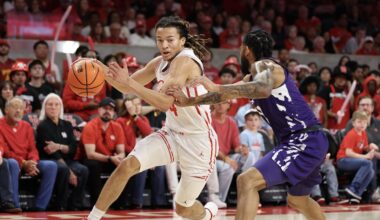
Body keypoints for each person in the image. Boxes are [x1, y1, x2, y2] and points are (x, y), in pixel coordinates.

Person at [167, 30, 329, 220]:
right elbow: (223, 95)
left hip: (303, 139)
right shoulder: (251, 79)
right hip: (309, 140)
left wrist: (217, 87)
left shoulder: (265, 65)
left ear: (247, 50)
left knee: (247, 181)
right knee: (298, 200)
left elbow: (262, 89)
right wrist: (188, 101)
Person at [86, 16, 219, 220]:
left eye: (170, 40)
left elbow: (165, 102)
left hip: (198, 142)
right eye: (159, 40)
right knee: (126, 166)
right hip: (172, 134)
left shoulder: (185, 61)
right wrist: (94, 66)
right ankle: (92, 218)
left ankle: (208, 214)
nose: (164, 45)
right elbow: (124, 84)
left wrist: (129, 84)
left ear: (182, 41)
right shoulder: (159, 62)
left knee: (183, 209)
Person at [0, 97, 57, 211]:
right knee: (11, 163)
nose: (18, 111)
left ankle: (40, 206)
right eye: (15, 107)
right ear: (6, 110)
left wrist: (33, 163)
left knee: (51, 166)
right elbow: (5, 151)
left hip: (28, 162)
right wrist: (24, 162)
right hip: (14, 162)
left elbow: (33, 149)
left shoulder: (26, 126)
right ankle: (14, 205)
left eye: (21, 108)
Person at [36, 93, 89, 210]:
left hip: (68, 160)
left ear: (61, 107)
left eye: (56, 104)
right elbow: (51, 151)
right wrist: (70, 170)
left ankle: (75, 204)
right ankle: (60, 204)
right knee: (64, 169)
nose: (53, 107)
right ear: (45, 107)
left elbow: (73, 148)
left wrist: (59, 146)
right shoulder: (43, 126)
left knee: (83, 170)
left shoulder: (67, 125)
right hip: (51, 160)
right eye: (50, 105)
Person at [80, 97, 125, 206]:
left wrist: (119, 159)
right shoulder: (90, 126)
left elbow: (122, 152)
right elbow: (90, 154)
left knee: (126, 166)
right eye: (104, 108)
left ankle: (120, 203)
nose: (107, 111)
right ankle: (96, 203)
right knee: (94, 165)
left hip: (110, 158)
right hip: (92, 159)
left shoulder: (117, 127)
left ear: (114, 113)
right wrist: (110, 158)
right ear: (99, 110)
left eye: (110, 109)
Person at [336, 110, 378, 204]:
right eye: (359, 121)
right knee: (367, 163)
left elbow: (364, 147)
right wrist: (365, 156)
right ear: (353, 123)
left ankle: (356, 194)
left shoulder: (363, 133)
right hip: (343, 160)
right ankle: (353, 188)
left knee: (371, 171)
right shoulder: (352, 134)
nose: (362, 124)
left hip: (353, 160)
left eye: (364, 122)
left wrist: (370, 146)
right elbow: (348, 152)